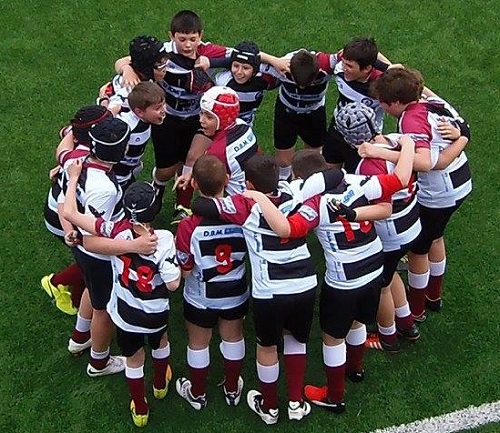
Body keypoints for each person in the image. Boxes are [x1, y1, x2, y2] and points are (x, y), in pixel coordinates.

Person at [245, 142, 415, 414]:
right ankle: (355, 369)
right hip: (375, 264)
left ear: (302, 179)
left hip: (344, 278)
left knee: (333, 338)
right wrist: (408, 143)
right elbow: (400, 180)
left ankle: (334, 396)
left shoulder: (316, 203)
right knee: (357, 323)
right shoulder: (357, 181)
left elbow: (289, 229)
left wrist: (261, 199)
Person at [191, 154, 345, 424]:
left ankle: (270, 406)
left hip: (270, 290)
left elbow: (201, 206)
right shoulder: (295, 190)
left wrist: (254, 198)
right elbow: (336, 175)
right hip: (304, 283)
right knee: (296, 341)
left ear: (249, 184)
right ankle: (296, 402)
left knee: (267, 347)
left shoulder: (244, 205)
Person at [63, 161, 181, 427]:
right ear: (155, 210)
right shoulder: (163, 239)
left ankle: (140, 407)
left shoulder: (115, 231)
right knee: (160, 343)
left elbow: (70, 213)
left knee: (133, 359)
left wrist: (73, 178)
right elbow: (173, 284)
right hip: (154, 313)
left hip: (125, 314)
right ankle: (160, 384)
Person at [367, 68, 472, 322]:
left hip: (439, 192)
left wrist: (380, 152)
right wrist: (464, 138)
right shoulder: (430, 100)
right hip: (460, 181)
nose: (382, 107)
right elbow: (462, 125)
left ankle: (416, 309)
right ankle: (433, 296)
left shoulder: (411, 120)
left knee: (419, 250)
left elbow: (424, 162)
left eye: (383, 103)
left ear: (397, 102)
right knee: (436, 237)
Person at [62, 117, 157, 376]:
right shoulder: (104, 189)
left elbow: (64, 204)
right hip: (98, 255)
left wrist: (71, 233)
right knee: (104, 309)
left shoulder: (76, 161)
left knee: (91, 289)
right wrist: (134, 246)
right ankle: (99, 362)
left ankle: (79, 337)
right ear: (121, 150)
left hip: (81, 250)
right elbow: (92, 241)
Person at [174, 155, 248, 410]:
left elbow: (185, 268)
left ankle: (197, 393)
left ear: (194, 184)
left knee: (198, 342)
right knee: (233, 337)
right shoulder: (243, 217)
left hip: (200, 296)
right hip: (235, 292)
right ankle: (232, 389)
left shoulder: (187, 226)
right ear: (227, 179)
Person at [42, 105, 113, 317]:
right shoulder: (90, 158)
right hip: (63, 215)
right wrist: (68, 230)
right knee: (91, 258)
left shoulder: (75, 154)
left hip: (60, 207)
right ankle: (58, 283)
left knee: (90, 257)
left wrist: (71, 131)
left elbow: (62, 151)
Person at [322, 37, 393, 172]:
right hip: (337, 130)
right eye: (344, 63)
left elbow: (411, 90)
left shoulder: (382, 85)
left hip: (364, 139)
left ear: (367, 69)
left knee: (354, 177)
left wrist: (388, 68)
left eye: (349, 66)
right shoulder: (339, 67)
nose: (344, 68)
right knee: (329, 171)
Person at [174, 86, 259, 196]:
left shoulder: (217, 151)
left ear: (224, 120)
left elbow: (209, 183)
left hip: (235, 198)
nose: (201, 120)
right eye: (201, 113)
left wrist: (191, 176)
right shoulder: (242, 125)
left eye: (209, 117)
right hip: (254, 188)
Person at [210, 40, 279, 126]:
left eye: (245, 68)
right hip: (222, 120)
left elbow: (283, 71)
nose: (239, 72)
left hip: (246, 120)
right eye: (236, 66)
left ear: (255, 70)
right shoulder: (222, 82)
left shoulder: (265, 79)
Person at [113, 81, 167, 190]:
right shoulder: (126, 128)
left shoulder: (144, 117)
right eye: (157, 108)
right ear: (140, 112)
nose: (163, 110)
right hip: (116, 179)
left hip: (127, 174)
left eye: (163, 104)